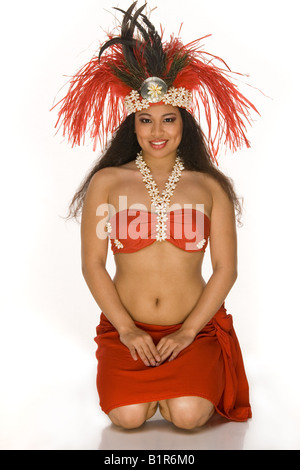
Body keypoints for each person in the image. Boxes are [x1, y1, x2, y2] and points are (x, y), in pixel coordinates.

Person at [54, 2, 258, 430]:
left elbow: (226, 269)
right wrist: (126, 330)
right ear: (133, 124)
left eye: (168, 119)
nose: (158, 131)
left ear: (184, 122)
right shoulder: (107, 183)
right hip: (127, 332)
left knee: (187, 418)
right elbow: (93, 264)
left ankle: (185, 382)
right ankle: (146, 383)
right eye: (146, 120)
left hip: (193, 330)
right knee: (126, 420)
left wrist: (187, 333)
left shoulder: (210, 187)